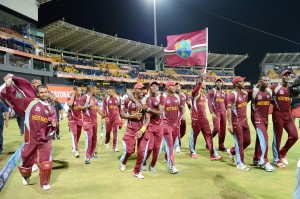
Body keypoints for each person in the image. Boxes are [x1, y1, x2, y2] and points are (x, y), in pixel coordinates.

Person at [4, 74, 57, 191]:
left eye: (45, 92)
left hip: (45, 140)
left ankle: (44, 183)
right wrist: (8, 86)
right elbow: (13, 99)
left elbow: (55, 124)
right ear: (37, 94)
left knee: (46, 162)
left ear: (48, 93)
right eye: (41, 92)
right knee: (26, 162)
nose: (44, 94)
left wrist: (54, 125)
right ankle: (25, 176)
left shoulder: (51, 108)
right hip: (30, 139)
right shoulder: (30, 102)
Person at [132, 81, 165, 176]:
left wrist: (149, 109)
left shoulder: (161, 97)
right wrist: (135, 101)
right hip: (149, 124)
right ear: (149, 88)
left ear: (158, 88)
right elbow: (129, 93)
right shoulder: (145, 96)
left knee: (157, 148)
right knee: (149, 147)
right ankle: (144, 161)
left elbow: (159, 112)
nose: (154, 87)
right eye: (152, 86)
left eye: (156, 86)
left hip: (159, 126)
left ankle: (153, 165)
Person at [271, 70, 298, 167]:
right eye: (285, 75)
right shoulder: (275, 87)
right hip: (278, 115)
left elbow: (291, 104)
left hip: (288, 115)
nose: (287, 76)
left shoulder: (291, 89)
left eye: (288, 75)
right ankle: (276, 159)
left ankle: (282, 153)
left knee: (294, 136)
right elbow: (267, 97)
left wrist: (293, 116)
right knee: (277, 138)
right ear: (281, 76)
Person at [189, 79, 222, 160]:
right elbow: (193, 92)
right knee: (194, 136)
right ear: (199, 84)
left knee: (209, 136)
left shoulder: (204, 95)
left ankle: (213, 154)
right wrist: (199, 83)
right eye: (203, 83)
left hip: (204, 119)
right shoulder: (195, 94)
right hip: (196, 119)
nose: (205, 84)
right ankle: (193, 152)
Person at [250, 75, 275, 172]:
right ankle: (264, 161)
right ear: (260, 81)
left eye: (268, 80)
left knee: (259, 139)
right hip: (257, 118)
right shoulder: (254, 92)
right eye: (265, 80)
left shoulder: (270, 91)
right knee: (265, 138)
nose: (267, 82)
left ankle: (256, 158)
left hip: (265, 119)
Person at [119, 83, 144, 178]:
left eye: (142, 89)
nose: (142, 91)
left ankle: (138, 171)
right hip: (131, 129)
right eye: (140, 89)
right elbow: (122, 114)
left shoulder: (144, 99)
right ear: (135, 90)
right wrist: (132, 116)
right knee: (130, 151)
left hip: (142, 129)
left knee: (141, 152)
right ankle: (124, 162)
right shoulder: (127, 101)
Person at [227, 76, 251, 171]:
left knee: (247, 141)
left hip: (244, 121)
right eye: (241, 82)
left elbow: (246, 102)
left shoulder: (244, 93)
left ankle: (232, 151)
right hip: (236, 122)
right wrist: (229, 124)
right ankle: (240, 163)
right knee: (239, 142)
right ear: (236, 84)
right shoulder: (232, 95)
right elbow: (228, 110)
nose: (244, 83)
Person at [78, 84, 105, 164]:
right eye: (95, 89)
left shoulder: (94, 98)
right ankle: (87, 157)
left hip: (94, 122)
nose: (96, 91)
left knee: (94, 138)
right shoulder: (85, 97)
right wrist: (88, 105)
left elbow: (97, 109)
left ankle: (92, 153)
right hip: (88, 122)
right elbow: (79, 107)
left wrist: (104, 115)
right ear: (91, 90)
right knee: (89, 139)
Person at [162, 81, 184, 174]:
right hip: (166, 125)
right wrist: (163, 123)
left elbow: (181, 109)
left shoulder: (178, 97)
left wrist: (178, 120)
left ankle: (166, 157)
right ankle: (172, 166)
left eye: (175, 85)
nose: (174, 87)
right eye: (172, 85)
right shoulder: (162, 97)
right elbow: (160, 112)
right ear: (167, 87)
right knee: (170, 145)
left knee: (171, 144)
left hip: (175, 125)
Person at [207, 78, 227, 151]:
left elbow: (226, 103)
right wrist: (212, 113)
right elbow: (209, 103)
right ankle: (208, 141)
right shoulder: (212, 92)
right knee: (216, 128)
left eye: (220, 82)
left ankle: (221, 146)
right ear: (215, 83)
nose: (218, 83)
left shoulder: (224, 92)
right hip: (216, 112)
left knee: (223, 131)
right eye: (217, 82)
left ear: (222, 84)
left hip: (223, 112)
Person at [103, 86, 122, 152]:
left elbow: (120, 109)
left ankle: (115, 147)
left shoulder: (119, 98)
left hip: (116, 118)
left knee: (115, 132)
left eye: (109, 91)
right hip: (108, 118)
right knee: (108, 132)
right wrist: (103, 117)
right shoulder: (106, 98)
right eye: (107, 91)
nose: (108, 93)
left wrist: (121, 118)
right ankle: (107, 142)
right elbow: (104, 108)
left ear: (113, 92)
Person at [174, 83, 191, 153]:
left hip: (183, 116)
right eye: (175, 87)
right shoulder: (173, 95)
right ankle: (178, 146)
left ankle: (175, 140)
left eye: (177, 86)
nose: (176, 88)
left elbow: (189, 103)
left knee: (183, 132)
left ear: (180, 87)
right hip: (175, 117)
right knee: (177, 131)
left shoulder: (184, 95)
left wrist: (191, 110)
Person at [66, 86, 83, 158]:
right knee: (75, 134)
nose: (81, 92)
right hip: (72, 119)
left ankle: (74, 147)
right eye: (80, 91)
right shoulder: (70, 98)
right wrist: (73, 95)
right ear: (76, 91)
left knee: (78, 135)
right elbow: (69, 104)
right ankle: (76, 150)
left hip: (79, 119)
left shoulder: (81, 99)